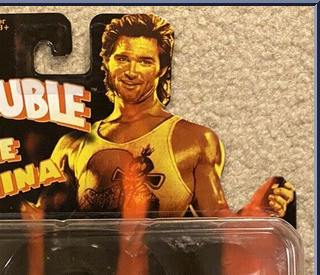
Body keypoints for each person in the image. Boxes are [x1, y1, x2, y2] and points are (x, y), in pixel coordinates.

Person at [43, 13, 294, 218]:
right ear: (106, 62)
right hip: (89, 265)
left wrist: (258, 211)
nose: (131, 71)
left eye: (145, 61)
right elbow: (43, 230)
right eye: (122, 58)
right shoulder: (72, 146)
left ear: (162, 68)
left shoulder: (194, 141)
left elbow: (220, 226)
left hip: (164, 266)